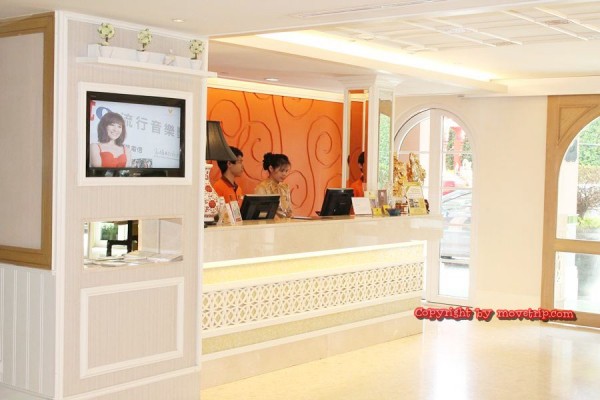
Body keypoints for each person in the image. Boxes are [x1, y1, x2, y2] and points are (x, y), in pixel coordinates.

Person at [254, 152, 293, 218]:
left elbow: (289, 210)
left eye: (286, 171)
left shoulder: (285, 187)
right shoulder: (262, 187)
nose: (284, 174)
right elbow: (261, 213)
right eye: (281, 171)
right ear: (271, 168)